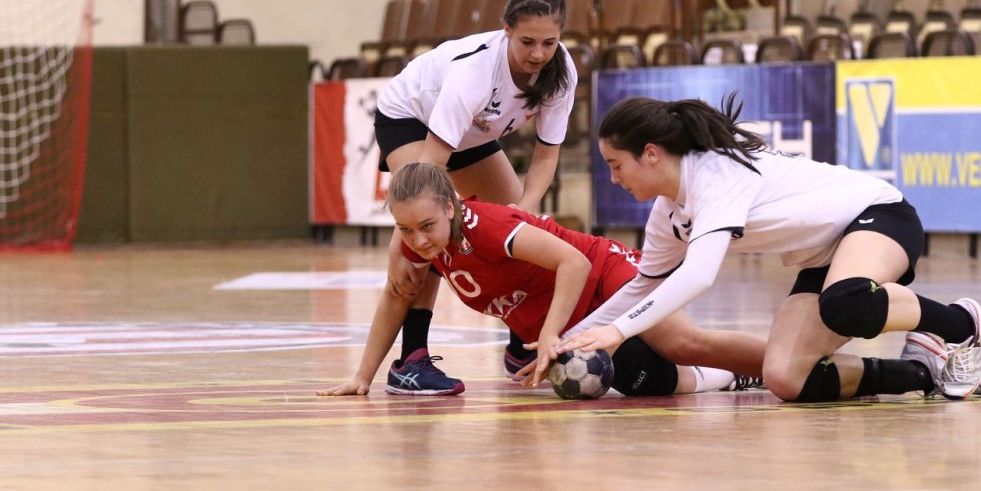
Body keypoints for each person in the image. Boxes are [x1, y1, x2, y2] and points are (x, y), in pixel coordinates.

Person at [556, 94, 981, 403]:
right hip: (824, 258)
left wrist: (618, 333)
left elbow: (698, 275)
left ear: (651, 154)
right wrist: (567, 342)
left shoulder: (714, 172)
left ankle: (959, 324)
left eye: (616, 165)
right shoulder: (667, 215)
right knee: (786, 378)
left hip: (878, 216)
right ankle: (922, 372)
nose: (613, 178)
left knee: (845, 301)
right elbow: (643, 286)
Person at [316, 163, 766, 398]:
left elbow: (575, 263)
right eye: (405, 230)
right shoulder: (422, 244)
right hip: (572, 312)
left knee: (681, 343)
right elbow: (396, 297)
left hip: (606, 274)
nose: (418, 239)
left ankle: (787, 363)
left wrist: (551, 336)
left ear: (450, 208)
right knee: (638, 378)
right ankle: (730, 377)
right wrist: (362, 377)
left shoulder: (488, 227)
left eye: (426, 226)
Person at [373, 0, 578, 396]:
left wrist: (523, 211)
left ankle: (523, 342)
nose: (538, 54)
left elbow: (546, 155)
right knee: (432, 236)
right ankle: (410, 361)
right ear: (506, 30)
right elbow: (428, 173)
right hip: (412, 119)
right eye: (527, 42)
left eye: (549, 42)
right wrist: (402, 243)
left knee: (523, 233)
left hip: (472, 135)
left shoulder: (561, 73)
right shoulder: (476, 71)